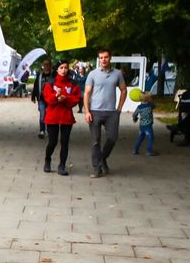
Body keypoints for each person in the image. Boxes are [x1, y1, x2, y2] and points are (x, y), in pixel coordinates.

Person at [84, 48, 126, 177]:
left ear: (110, 58)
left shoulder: (117, 74)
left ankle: (102, 158)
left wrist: (119, 109)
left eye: (106, 57)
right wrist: (87, 111)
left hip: (111, 112)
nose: (103, 60)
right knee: (95, 141)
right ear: (98, 59)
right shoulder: (93, 74)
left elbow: (124, 90)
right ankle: (97, 169)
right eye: (101, 57)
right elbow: (86, 93)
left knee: (113, 138)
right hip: (95, 111)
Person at [42, 60, 81, 175]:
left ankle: (62, 165)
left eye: (65, 67)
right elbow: (48, 99)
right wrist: (56, 95)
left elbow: (76, 99)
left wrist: (66, 99)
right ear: (57, 69)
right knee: (52, 142)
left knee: (65, 142)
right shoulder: (50, 84)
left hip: (66, 117)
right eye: (61, 68)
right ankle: (47, 159)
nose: (64, 70)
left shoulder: (73, 84)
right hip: (52, 116)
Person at [31, 58, 53, 137]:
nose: (46, 66)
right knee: (42, 114)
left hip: (51, 99)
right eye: (44, 65)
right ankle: (42, 130)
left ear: (50, 65)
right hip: (42, 98)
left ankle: (50, 130)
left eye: (47, 64)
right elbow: (36, 86)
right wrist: (33, 96)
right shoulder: (40, 76)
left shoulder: (53, 75)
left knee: (50, 115)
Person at [132, 91, 157, 157]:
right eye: (150, 98)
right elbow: (155, 106)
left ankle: (135, 150)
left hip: (141, 125)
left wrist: (135, 118)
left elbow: (134, 114)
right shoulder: (150, 105)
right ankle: (149, 151)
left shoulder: (139, 107)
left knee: (140, 137)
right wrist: (151, 102)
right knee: (151, 137)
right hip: (148, 126)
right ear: (148, 99)